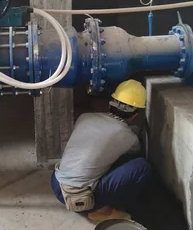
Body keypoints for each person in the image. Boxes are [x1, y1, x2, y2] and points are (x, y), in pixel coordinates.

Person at [51, 79, 152, 221]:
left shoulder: (84, 117)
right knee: (141, 167)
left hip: (56, 184)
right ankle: (104, 210)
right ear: (134, 115)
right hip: (82, 198)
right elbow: (134, 153)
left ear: (111, 103)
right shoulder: (127, 136)